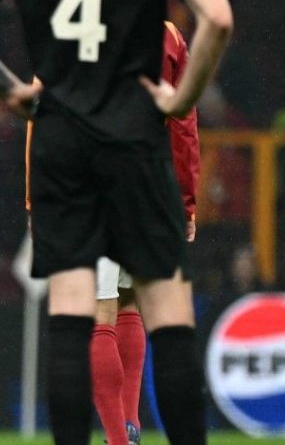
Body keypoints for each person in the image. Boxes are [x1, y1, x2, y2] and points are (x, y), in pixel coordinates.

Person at [0, 0, 233, 444]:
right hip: (137, 162)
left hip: (69, 166)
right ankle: (136, 430)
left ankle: (116, 437)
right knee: (156, 313)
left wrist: (8, 92)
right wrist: (185, 181)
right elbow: (210, 40)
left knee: (80, 315)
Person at [88, 22, 200, 445]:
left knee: (100, 309)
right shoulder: (167, 33)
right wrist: (185, 198)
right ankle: (131, 427)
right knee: (130, 299)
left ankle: (119, 440)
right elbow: (184, 119)